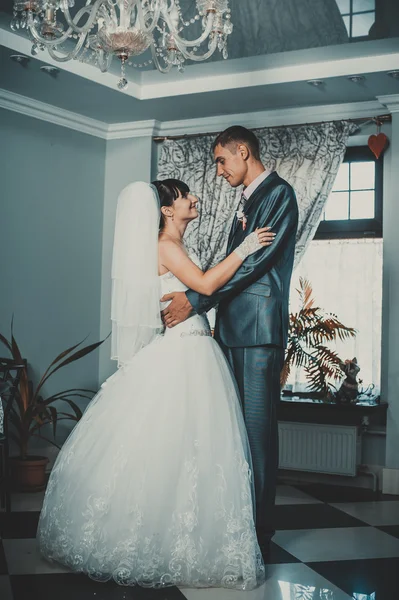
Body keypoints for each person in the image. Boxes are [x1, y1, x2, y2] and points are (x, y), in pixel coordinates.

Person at [36, 179, 275, 590]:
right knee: (175, 447)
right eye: (186, 195)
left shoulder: (175, 246)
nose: (195, 198)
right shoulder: (165, 246)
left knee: (192, 451)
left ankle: (186, 536)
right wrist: (246, 247)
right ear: (167, 210)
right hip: (185, 353)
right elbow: (204, 286)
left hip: (196, 348)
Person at [161, 126, 299, 559]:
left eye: (222, 160)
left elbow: (254, 262)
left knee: (257, 436)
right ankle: (236, 524)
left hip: (258, 333)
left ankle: (257, 536)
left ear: (243, 151)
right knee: (234, 434)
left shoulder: (279, 194)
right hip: (233, 331)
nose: (218, 171)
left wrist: (196, 300)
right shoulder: (249, 199)